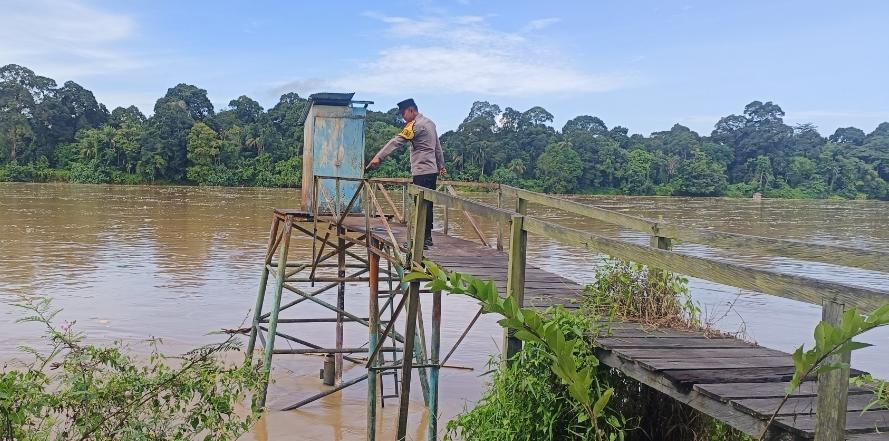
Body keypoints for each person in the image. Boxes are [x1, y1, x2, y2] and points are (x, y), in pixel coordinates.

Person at [367, 98, 445, 249]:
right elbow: (438, 148)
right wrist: (441, 165)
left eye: (403, 114)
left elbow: (397, 141)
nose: (403, 117)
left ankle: (420, 240)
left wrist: (379, 156)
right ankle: (426, 237)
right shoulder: (430, 123)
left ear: (411, 110)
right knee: (428, 204)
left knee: (419, 205)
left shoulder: (416, 126)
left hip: (421, 172)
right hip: (431, 171)